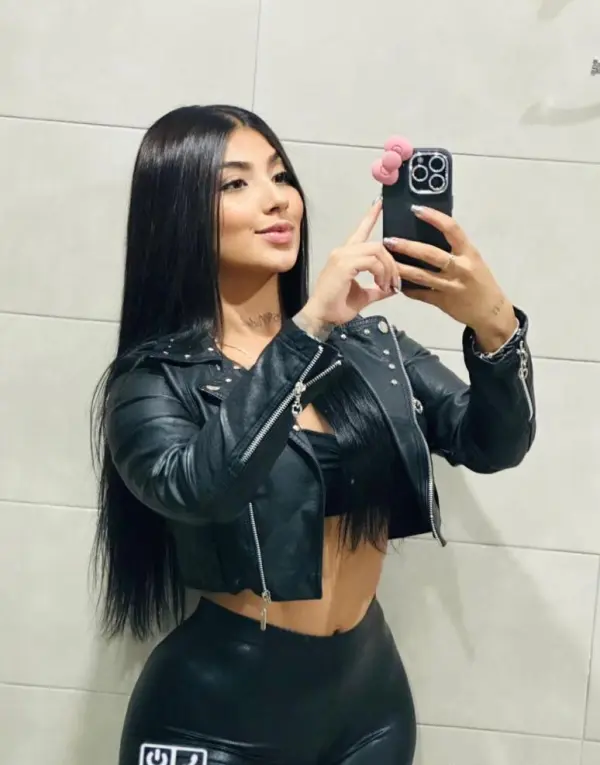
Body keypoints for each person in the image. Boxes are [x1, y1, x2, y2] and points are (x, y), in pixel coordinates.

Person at [91, 104, 536, 765]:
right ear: (178, 212)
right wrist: (307, 330)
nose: (277, 199)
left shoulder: (371, 346)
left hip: (369, 709)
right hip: (215, 719)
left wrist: (493, 323)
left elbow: (492, 444)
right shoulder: (154, 379)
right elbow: (201, 489)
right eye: (236, 183)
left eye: (280, 176)